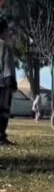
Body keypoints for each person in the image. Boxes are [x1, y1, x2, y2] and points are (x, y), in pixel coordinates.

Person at [0, 17, 17, 146]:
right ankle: (1, 136)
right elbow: (7, 66)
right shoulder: (4, 45)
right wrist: (11, 83)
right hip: (4, 83)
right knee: (4, 110)